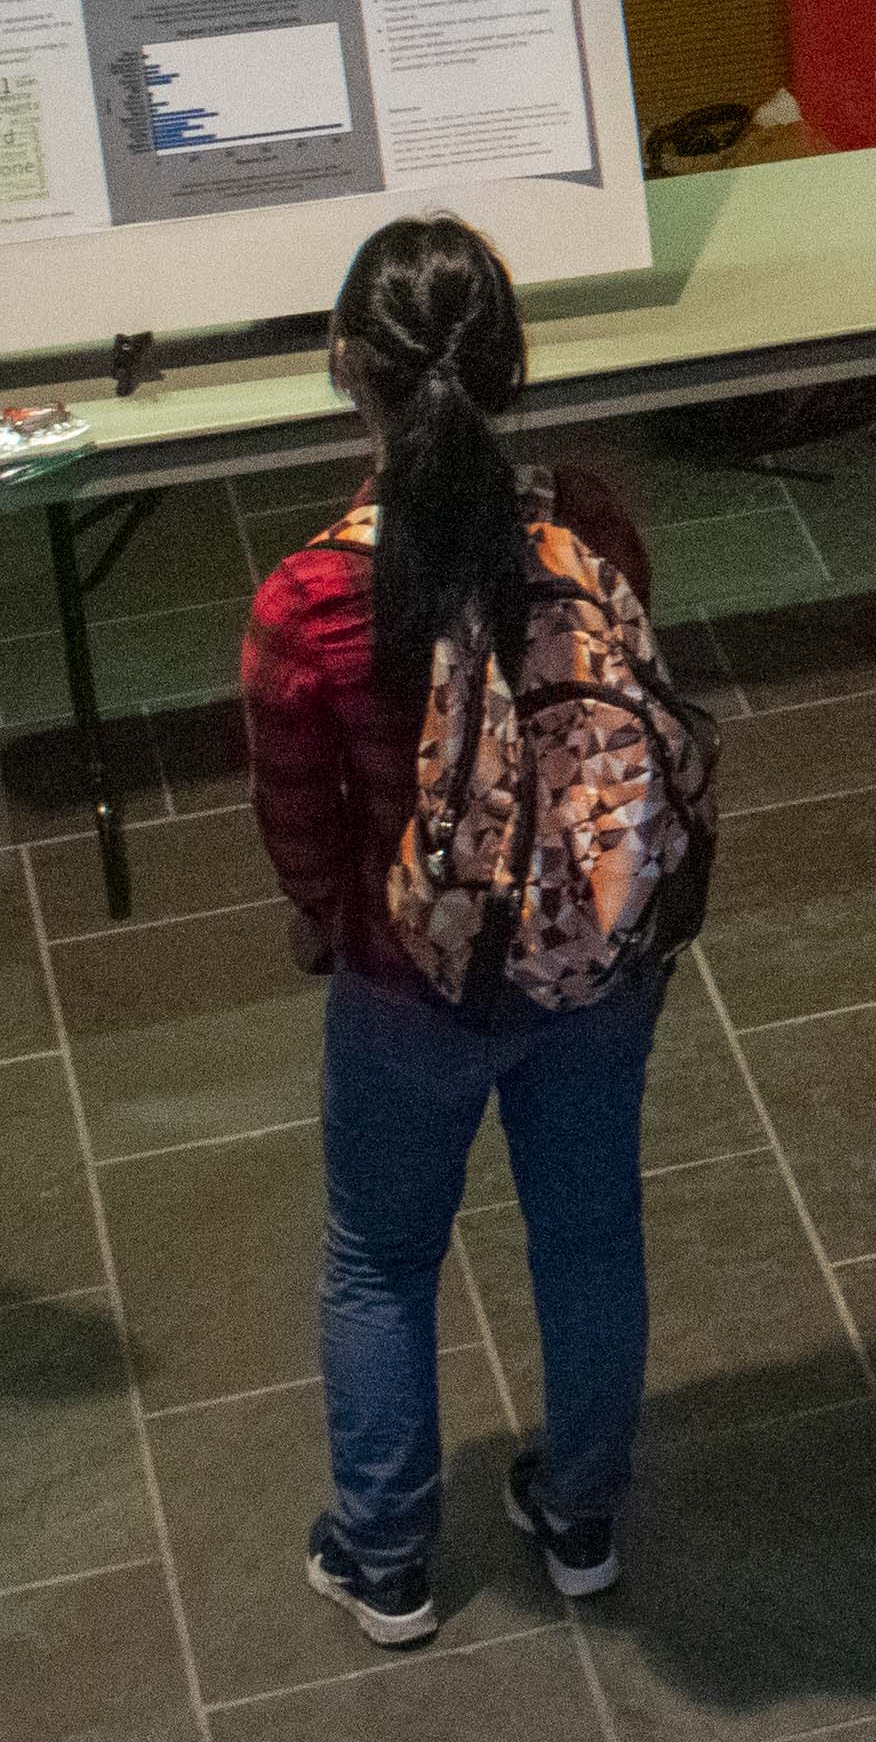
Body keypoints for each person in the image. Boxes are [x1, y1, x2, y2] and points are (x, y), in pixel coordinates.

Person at [242, 217, 694, 1643]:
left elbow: (296, 809)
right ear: (508, 364)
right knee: (588, 1233)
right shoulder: (595, 522)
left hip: (409, 983)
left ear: (342, 369)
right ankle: (580, 1514)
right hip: (596, 961)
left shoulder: (310, 595)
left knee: (380, 1257)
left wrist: (330, 924)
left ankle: (383, 1558)